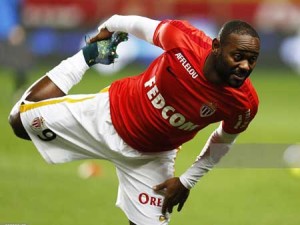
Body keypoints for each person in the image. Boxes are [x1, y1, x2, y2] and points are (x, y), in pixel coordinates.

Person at [8, 15, 260, 225]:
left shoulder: (244, 104)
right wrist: (106, 30)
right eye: (238, 56)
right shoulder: (183, 39)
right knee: (19, 120)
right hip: (105, 115)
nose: (245, 66)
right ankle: (86, 57)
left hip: (151, 158)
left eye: (252, 60)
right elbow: (128, 23)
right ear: (216, 46)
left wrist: (186, 181)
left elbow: (223, 140)